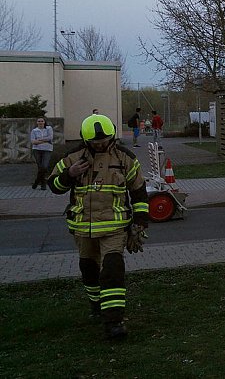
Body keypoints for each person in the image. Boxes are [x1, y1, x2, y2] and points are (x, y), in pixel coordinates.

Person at [47, 114, 149, 340]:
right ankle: (96, 304)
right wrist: (69, 175)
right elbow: (53, 185)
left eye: (104, 140)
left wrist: (140, 222)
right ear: (86, 140)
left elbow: (139, 191)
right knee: (89, 270)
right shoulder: (72, 158)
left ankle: (114, 322)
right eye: (95, 142)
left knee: (113, 270)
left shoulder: (125, 158)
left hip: (115, 228)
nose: (100, 144)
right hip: (82, 228)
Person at [30, 117, 54, 190]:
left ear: (44, 122)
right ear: (37, 123)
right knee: (40, 167)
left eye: (42, 121)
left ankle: (37, 182)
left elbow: (50, 138)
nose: (40, 122)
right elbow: (33, 142)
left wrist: (39, 140)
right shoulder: (34, 131)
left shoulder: (48, 129)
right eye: (39, 121)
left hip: (47, 150)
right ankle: (43, 184)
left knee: (44, 166)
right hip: (37, 150)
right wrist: (45, 141)